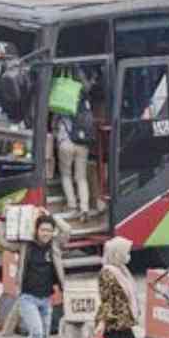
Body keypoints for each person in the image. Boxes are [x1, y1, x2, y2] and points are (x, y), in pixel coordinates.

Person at [0, 212, 68, 338]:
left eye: (49, 230)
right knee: (37, 333)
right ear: (36, 230)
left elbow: (67, 231)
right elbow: (3, 242)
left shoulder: (55, 245)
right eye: (43, 230)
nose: (46, 233)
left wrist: (52, 217)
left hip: (47, 298)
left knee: (45, 336)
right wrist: (1, 222)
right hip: (28, 298)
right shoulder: (26, 245)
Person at [54, 66, 93, 222]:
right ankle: (84, 208)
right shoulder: (86, 101)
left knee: (66, 175)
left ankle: (72, 206)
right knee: (81, 178)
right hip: (83, 143)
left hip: (66, 142)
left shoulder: (62, 96)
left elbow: (55, 121)